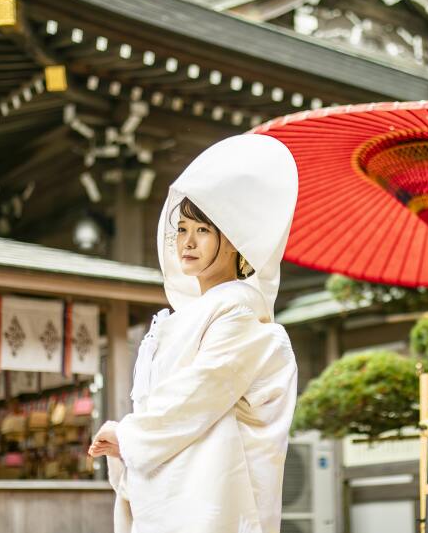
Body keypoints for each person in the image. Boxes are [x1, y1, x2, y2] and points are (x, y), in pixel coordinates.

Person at [87, 134, 299, 533]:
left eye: (202, 230)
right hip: (172, 498)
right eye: (181, 228)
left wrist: (129, 435)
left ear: (234, 240)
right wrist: (132, 441)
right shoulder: (183, 318)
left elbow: (200, 392)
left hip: (211, 502)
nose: (186, 241)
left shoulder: (239, 313)